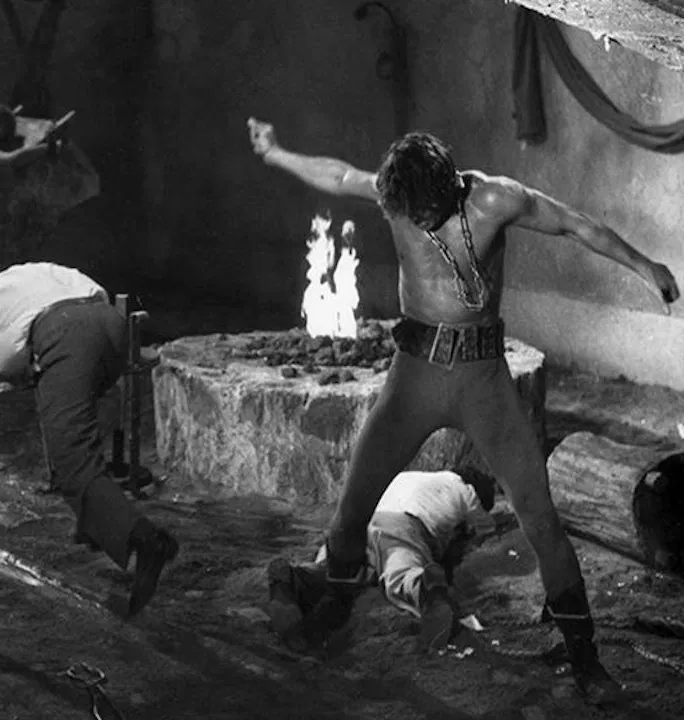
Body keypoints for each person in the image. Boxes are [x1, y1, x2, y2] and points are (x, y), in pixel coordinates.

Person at [247, 118, 680, 705]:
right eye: (407, 212)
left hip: (483, 383)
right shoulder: (397, 198)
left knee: (540, 517)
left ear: (449, 187)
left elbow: (576, 224)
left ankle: (585, 659)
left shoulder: (495, 199)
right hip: (414, 378)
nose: (417, 221)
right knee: (351, 510)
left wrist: (645, 266)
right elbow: (341, 175)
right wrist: (276, 153)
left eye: (425, 211)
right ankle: (336, 606)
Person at [0, 262, 179, 618]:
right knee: (71, 440)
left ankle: (148, 542)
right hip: (112, 326)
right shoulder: (24, 279)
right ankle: (95, 526)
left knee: (73, 461)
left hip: (67, 334)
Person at [269, 466, 498, 653]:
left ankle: (299, 577)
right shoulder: (467, 491)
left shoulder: (407, 476)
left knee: (338, 571)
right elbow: (486, 526)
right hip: (402, 525)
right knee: (400, 572)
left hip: (358, 523)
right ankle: (424, 588)